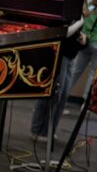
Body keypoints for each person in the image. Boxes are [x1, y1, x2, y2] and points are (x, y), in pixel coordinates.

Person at [30, 14, 85, 142]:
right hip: (58, 54)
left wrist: (82, 38)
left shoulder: (76, 12)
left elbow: (72, 33)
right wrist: (80, 22)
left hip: (70, 56)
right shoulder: (64, 12)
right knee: (53, 94)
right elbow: (62, 32)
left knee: (63, 95)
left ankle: (49, 131)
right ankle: (38, 130)